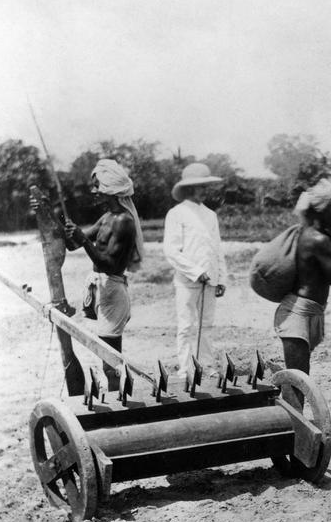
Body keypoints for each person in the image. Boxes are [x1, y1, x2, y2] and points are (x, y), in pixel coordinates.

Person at [63, 159, 144, 391]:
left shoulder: (124, 222)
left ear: (110, 189)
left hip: (113, 293)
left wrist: (82, 238)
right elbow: (72, 245)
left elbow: (108, 264)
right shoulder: (107, 217)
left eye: (97, 186)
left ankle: (124, 406)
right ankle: (121, 403)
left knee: (110, 361)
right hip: (101, 291)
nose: (93, 191)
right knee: (107, 357)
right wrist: (66, 229)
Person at [274, 179, 331, 384]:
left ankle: (293, 415)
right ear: (323, 209)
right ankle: (291, 416)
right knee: (298, 379)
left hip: (311, 311)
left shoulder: (314, 236)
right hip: (298, 314)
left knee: (300, 377)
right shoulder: (317, 239)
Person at [163, 162, 227, 378]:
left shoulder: (210, 215)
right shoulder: (177, 213)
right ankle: (186, 369)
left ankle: (206, 365)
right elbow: (171, 250)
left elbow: (216, 249)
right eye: (201, 186)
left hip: (210, 280)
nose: (205, 191)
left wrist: (221, 278)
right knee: (187, 325)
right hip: (187, 280)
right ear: (189, 188)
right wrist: (195, 271)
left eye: (206, 186)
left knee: (206, 325)